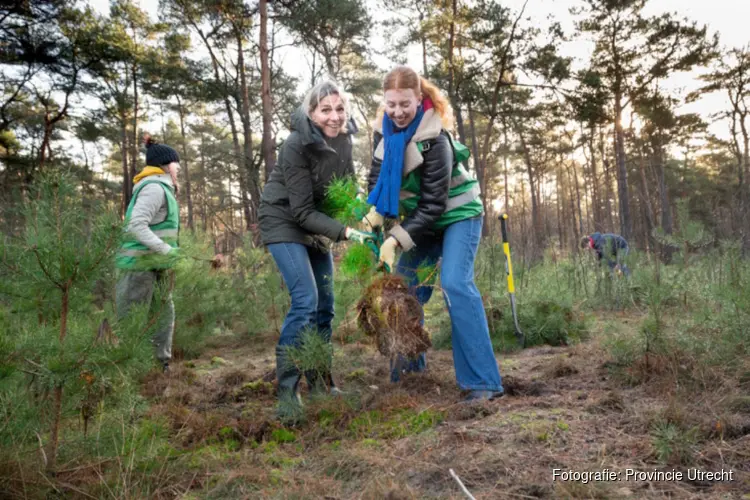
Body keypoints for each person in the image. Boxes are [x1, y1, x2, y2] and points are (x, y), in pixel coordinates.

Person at [362, 66, 504, 402]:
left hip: (457, 214)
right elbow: (376, 180)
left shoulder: (436, 139)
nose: (397, 112)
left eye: (405, 104)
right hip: (421, 223)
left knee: (455, 283)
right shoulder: (383, 136)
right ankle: (411, 375)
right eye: (391, 104)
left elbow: (434, 205)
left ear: (420, 99)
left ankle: (482, 382)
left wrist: (396, 239)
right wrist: (373, 213)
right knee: (402, 292)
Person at [258, 80, 374, 412]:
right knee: (306, 299)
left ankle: (322, 385)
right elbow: (301, 211)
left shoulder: (345, 140)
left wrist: (368, 218)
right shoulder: (295, 144)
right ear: (312, 113)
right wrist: (348, 234)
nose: (334, 117)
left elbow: (347, 189)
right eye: (326, 110)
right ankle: (288, 393)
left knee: (325, 306)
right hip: (283, 220)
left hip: (316, 224)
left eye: (340, 109)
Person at [115, 135, 182, 374]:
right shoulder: (153, 188)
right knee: (132, 317)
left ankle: (159, 366)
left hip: (158, 265)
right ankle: (125, 370)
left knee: (163, 312)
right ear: (165, 165)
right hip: (138, 265)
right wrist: (167, 250)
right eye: (176, 163)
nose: (179, 168)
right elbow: (136, 225)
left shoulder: (163, 187)